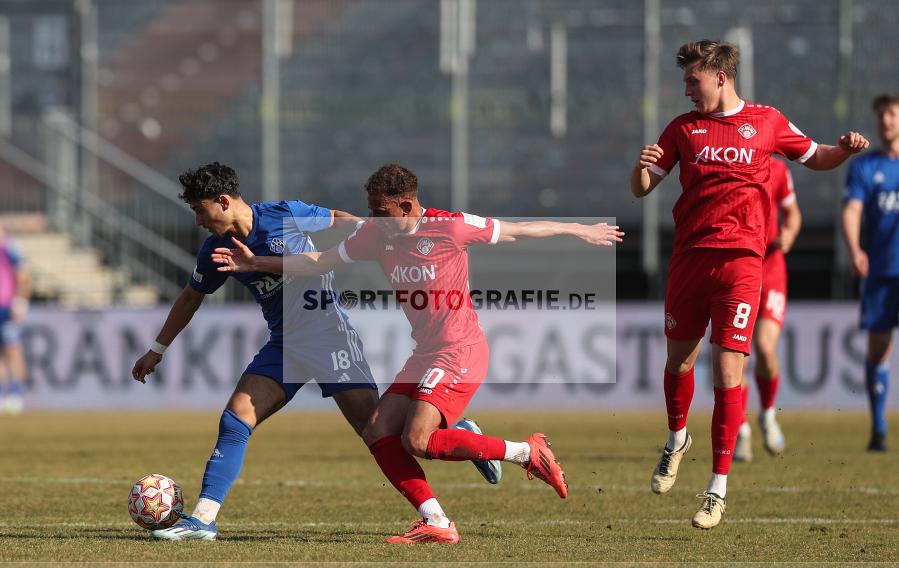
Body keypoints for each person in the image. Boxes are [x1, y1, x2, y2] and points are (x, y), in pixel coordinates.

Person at [212, 163, 624, 543]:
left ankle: (526, 452)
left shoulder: (451, 227)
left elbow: (518, 230)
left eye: (381, 210)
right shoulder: (375, 233)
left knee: (418, 439)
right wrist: (257, 263)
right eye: (371, 209)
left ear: (407, 205)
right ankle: (437, 521)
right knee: (377, 430)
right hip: (426, 354)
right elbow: (319, 261)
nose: (373, 217)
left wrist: (577, 229)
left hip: (460, 350)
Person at [630, 39, 869, 529]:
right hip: (690, 260)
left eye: (692, 81)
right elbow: (643, 187)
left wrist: (843, 151)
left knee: (728, 372)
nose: (686, 90)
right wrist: (640, 169)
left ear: (719, 76)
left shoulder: (767, 121)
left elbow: (816, 155)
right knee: (680, 362)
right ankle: (677, 438)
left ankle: (717, 488)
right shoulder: (682, 129)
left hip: (742, 262)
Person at [131, 162, 381, 540]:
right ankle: (203, 520)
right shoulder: (214, 250)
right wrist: (157, 349)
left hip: (328, 335)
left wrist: (373, 238)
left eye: (200, 209)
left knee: (378, 432)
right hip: (286, 344)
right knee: (236, 419)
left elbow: (340, 220)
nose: (198, 221)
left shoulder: (285, 215)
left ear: (224, 201)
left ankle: (453, 433)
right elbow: (190, 298)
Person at [842, 93, 899, 453]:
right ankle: (878, 429)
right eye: (880, 115)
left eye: (891, 114)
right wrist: (856, 249)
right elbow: (851, 211)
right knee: (878, 348)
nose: (885, 121)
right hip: (881, 271)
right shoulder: (866, 166)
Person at [734, 157, 801, 461]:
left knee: (764, 347)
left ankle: (768, 415)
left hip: (771, 270)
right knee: (738, 357)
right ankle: (742, 429)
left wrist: (789, 232)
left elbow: (793, 213)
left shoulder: (778, 170)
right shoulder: (727, 165)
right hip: (737, 269)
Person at [0, 226, 30, 415]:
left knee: (13, 349)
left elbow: (24, 275)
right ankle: (3, 394)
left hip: (7, 307)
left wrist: (20, 302)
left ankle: (16, 394)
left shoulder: (10, 246)